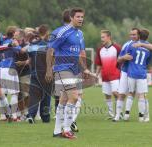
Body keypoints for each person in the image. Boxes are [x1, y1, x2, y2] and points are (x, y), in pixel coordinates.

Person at [46, 7, 90, 139]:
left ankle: (57, 131)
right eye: (78, 17)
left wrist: (85, 68)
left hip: (75, 69)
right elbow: (50, 50)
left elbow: (81, 53)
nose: (81, 19)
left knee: (64, 99)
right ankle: (66, 129)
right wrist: (49, 69)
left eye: (82, 17)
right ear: (71, 18)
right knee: (75, 97)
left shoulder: (80, 34)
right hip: (62, 68)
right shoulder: (62, 32)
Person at [114, 28, 152, 122]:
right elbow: (118, 59)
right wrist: (124, 57)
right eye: (131, 35)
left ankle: (141, 115)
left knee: (136, 94)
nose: (132, 36)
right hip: (126, 72)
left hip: (132, 72)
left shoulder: (144, 45)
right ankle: (118, 116)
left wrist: (141, 44)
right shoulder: (128, 44)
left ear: (138, 35)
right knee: (122, 94)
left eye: (134, 35)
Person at [22, 24, 53, 124]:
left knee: (34, 95)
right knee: (46, 96)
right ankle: (45, 117)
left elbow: (28, 56)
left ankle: (31, 115)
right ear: (47, 32)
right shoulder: (49, 44)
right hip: (46, 73)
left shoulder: (32, 45)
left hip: (34, 73)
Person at [123, 29, 152, 122]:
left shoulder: (132, 45)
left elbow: (127, 57)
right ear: (147, 37)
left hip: (131, 73)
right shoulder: (149, 48)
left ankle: (126, 114)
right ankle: (141, 117)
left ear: (139, 35)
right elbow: (148, 61)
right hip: (142, 73)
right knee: (142, 95)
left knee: (131, 93)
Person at [95, 30, 121, 120]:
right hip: (105, 76)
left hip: (115, 75)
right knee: (107, 95)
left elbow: (122, 60)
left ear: (109, 37)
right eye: (101, 37)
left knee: (115, 93)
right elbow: (99, 64)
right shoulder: (100, 49)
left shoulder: (117, 48)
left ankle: (119, 113)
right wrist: (96, 75)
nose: (101, 39)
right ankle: (111, 114)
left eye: (103, 37)